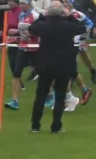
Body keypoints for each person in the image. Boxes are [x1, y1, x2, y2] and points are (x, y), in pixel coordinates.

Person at [31, 1, 89, 131]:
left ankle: (35, 125)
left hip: (45, 65)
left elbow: (32, 28)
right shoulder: (68, 25)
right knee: (60, 96)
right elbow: (82, 27)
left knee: (40, 96)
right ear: (62, 12)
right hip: (63, 65)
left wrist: (42, 16)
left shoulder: (43, 25)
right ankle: (56, 126)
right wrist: (70, 16)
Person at [6, 0, 41, 108]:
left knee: (43, 73)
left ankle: (50, 95)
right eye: (20, 3)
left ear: (29, 4)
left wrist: (31, 35)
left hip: (35, 49)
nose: (20, 5)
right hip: (23, 48)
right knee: (16, 73)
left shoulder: (35, 15)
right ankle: (14, 101)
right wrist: (17, 33)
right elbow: (22, 30)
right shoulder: (21, 15)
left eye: (23, 3)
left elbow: (41, 31)